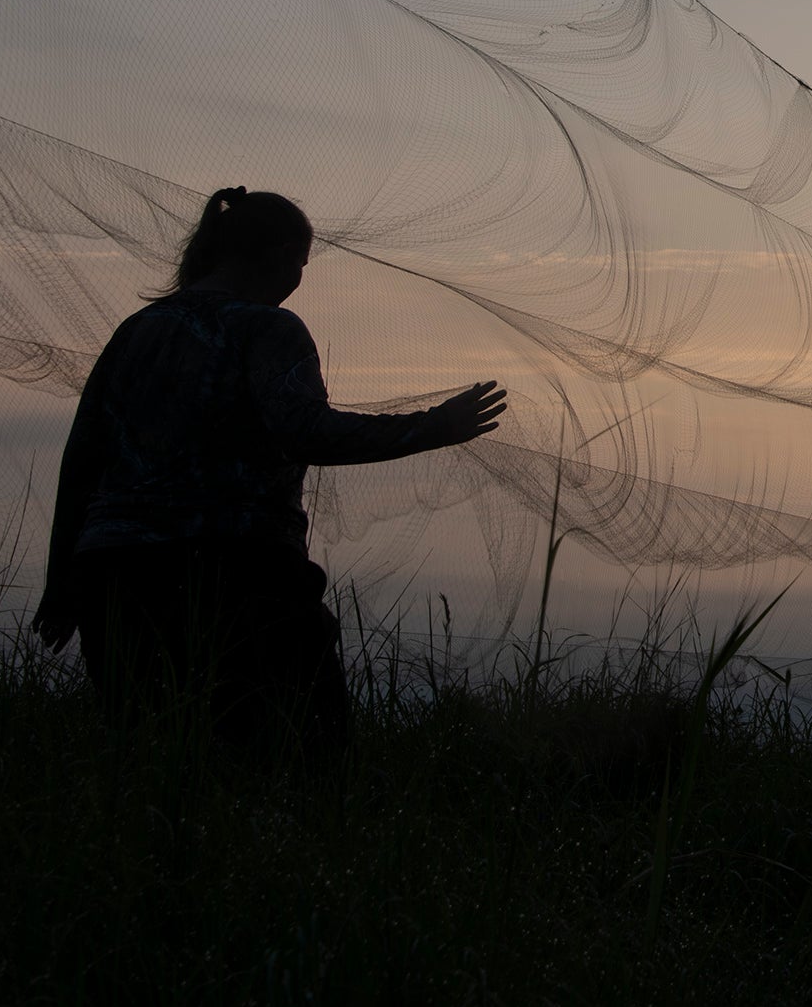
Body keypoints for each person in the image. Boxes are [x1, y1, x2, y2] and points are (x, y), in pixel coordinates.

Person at [31, 186, 505, 757]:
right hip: (238, 577)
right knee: (298, 760)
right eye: (301, 264)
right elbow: (306, 432)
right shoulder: (268, 328)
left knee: (153, 769)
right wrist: (435, 426)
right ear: (280, 254)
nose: (297, 280)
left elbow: (81, 462)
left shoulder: (137, 330)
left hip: (114, 582)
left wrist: (63, 584)